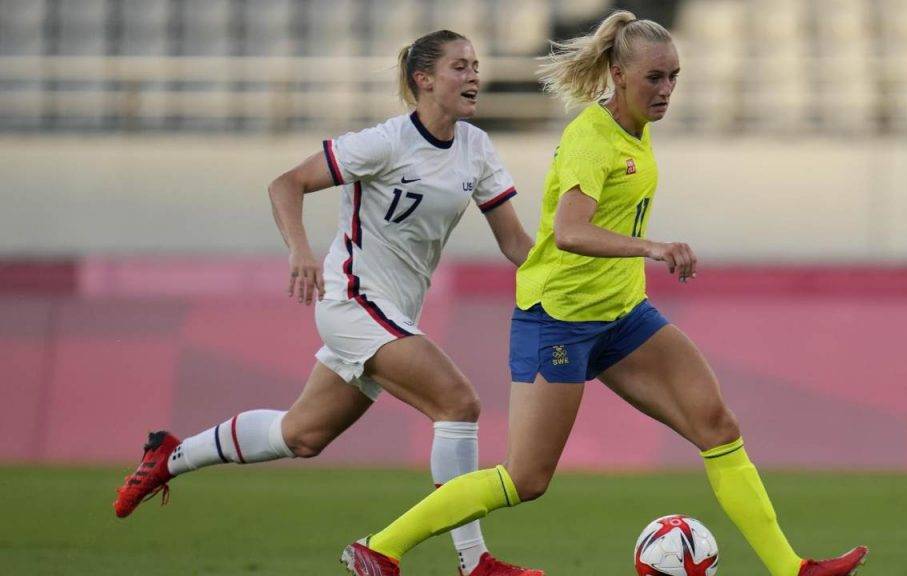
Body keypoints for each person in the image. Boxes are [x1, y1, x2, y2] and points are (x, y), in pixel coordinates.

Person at [340, 12, 869, 576]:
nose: (666, 90)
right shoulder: (591, 139)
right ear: (618, 75)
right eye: (654, 78)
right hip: (558, 320)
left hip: (623, 315)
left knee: (717, 425)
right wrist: (653, 248)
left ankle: (791, 568)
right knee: (526, 478)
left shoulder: (635, 130)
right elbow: (569, 231)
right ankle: (381, 547)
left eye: (674, 77)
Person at [113, 29, 543, 576]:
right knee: (458, 404)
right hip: (352, 300)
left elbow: (515, 244)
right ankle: (473, 562)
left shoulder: (476, 149)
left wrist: (577, 271)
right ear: (424, 80)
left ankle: (170, 456)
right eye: (460, 66)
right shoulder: (385, 142)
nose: (475, 75)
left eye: (477, 65)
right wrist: (301, 250)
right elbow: (285, 184)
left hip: (391, 314)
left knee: (301, 435)